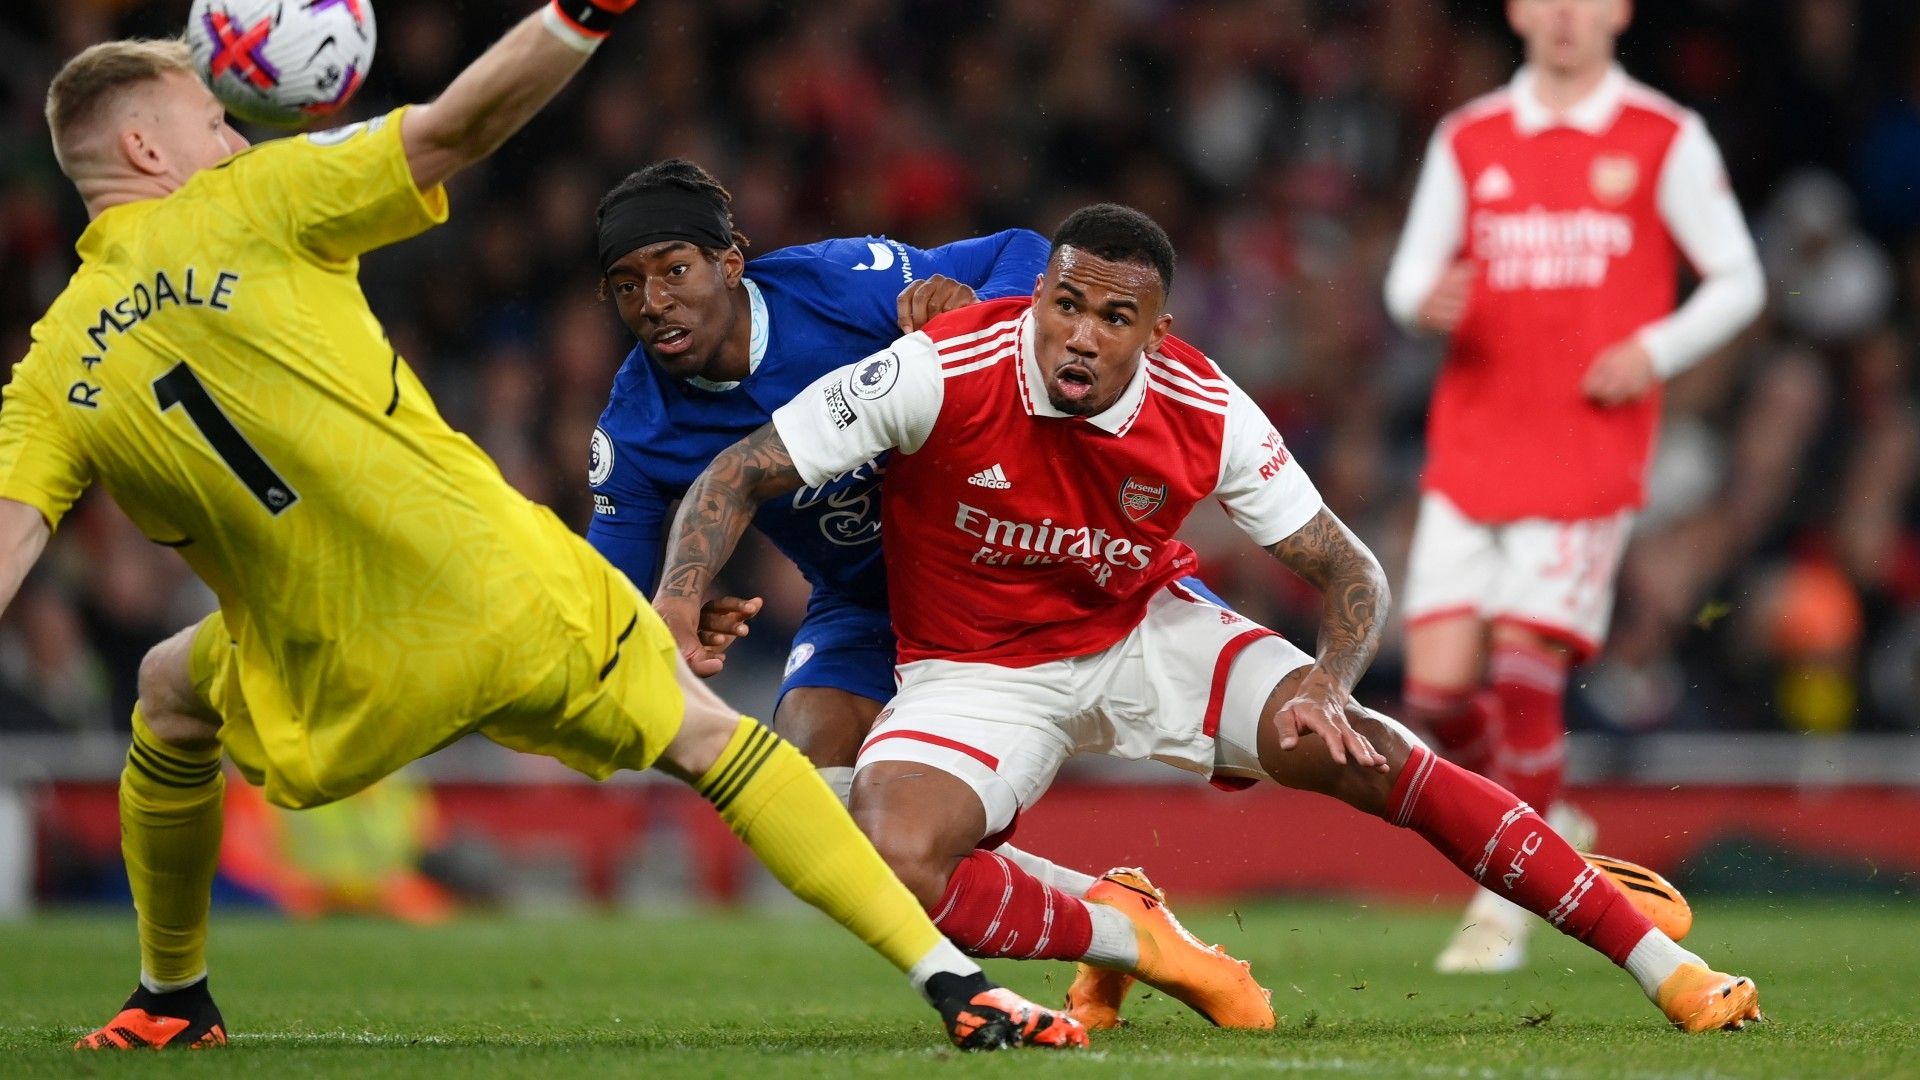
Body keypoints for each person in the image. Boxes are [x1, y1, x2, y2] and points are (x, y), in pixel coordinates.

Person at [8, 3, 1082, 1053]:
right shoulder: (257, 198)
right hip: (499, 594)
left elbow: (11, 547)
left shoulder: (50, 370)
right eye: (211, 118)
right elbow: (461, 124)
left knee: (165, 691)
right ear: (147, 144)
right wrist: (580, 15)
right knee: (715, 743)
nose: (235, 132)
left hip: (326, 680)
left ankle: (170, 995)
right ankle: (959, 986)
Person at [655, 203, 1764, 1034]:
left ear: (1157, 331)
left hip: (1148, 636)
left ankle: (1665, 973)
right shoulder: (939, 368)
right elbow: (738, 473)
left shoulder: (1205, 403)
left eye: (1114, 317)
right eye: (1065, 305)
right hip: (975, 670)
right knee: (893, 855)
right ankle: (1132, 930)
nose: (1081, 337)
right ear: (1037, 298)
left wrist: (1332, 679)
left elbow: (1350, 572)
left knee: (1362, 751)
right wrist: (677, 600)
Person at [586, 158, 1240, 1027]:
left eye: (675, 270)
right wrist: (676, 605)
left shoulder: (840, 284)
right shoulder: (633, 428)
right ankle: (1122, 927)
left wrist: (967, 311)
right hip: (864, 605)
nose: (654, 301)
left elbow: (1022, 250)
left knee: (935, 834)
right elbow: (615, 601)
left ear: (731, 261)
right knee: (827, 821)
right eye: (628, 285)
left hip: (1001, 568)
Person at [1382, 0, 1763, 974]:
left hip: (1584, 449)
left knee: (1524, 664)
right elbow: (1409, 273)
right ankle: (1549, 818)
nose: (1563, 14)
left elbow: (1739, 278)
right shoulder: (1469, 137)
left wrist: (1654, 347)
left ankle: (1506, 900)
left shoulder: (1661, 136)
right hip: (1473, 444)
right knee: (1437, 692)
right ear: (1515, 10)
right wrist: (1421, 299)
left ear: (1621, 11)